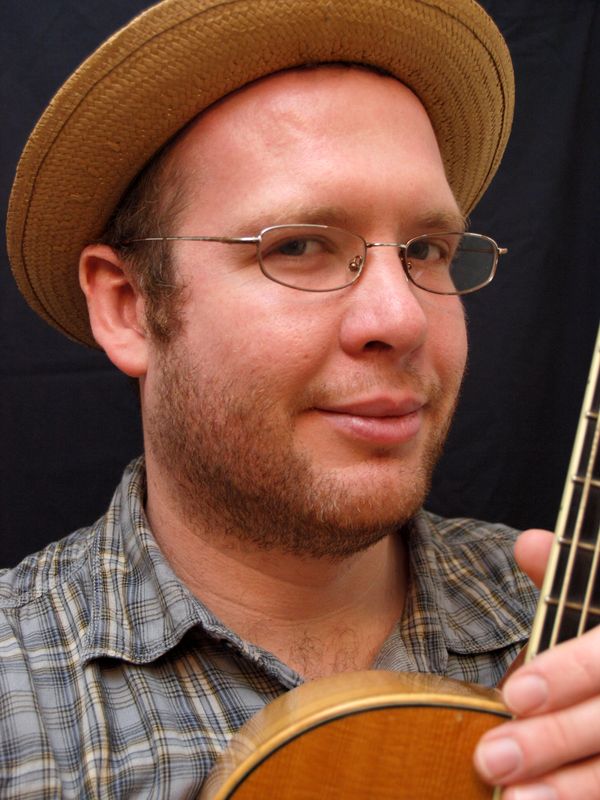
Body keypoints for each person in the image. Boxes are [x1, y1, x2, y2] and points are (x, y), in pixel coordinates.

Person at [2, 0, 599, 797]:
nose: (402, 318)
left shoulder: (566, 627)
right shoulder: (16, 691)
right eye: (300, 246)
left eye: (426, 249)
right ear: (128, 306)